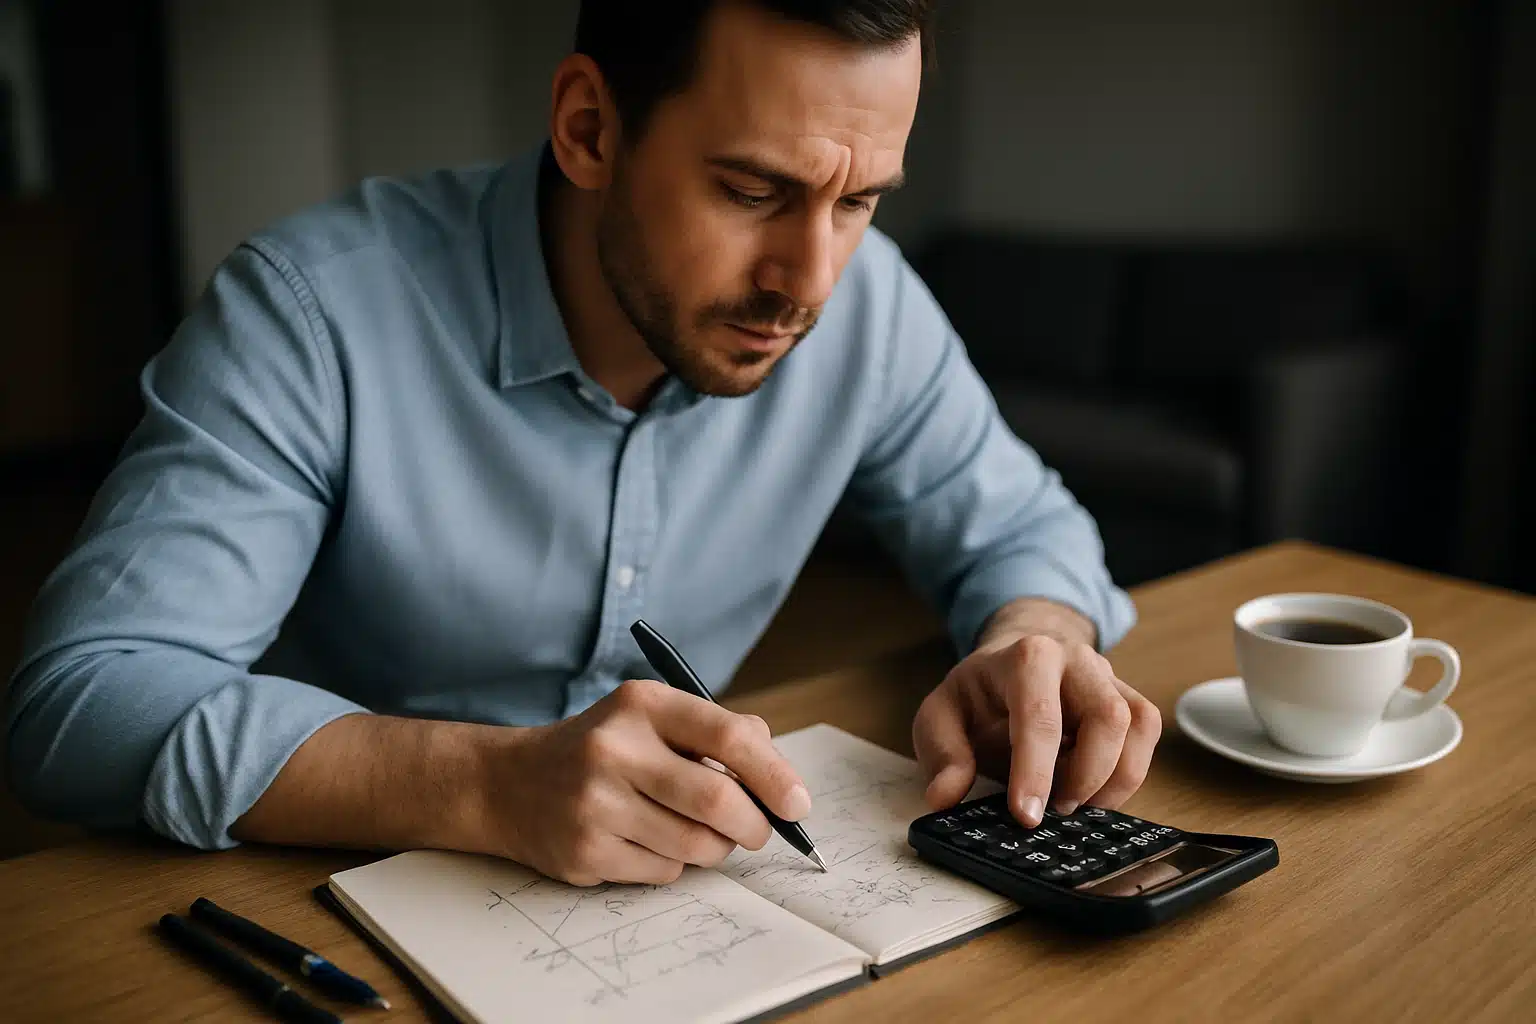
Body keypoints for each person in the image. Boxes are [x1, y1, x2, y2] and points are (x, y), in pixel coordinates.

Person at [5, 0, 1159, 887]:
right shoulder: (312, 313)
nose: (809, 282)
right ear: (589, 127)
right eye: (752, 190)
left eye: (859, 202)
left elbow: (1025, 528)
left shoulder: (871, 308)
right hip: (321, 904)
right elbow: (82, 705)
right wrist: (484, 783)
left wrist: (1033, 639)